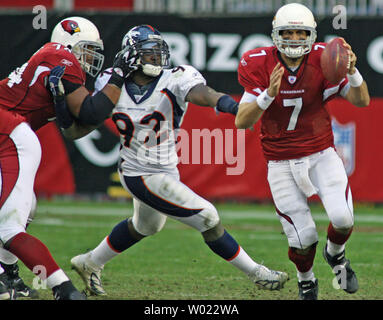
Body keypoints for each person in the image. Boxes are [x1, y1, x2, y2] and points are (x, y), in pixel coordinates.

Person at [66, 24, 289, 297]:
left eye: (159, 53)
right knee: (208, 217)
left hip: (165, 169)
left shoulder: (175, 78)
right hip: (137, 172)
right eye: (150, 54)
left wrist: (234, 107)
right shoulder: (111, 82)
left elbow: (205, 94)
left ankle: (90, 262)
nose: (157, 60)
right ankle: (257, 273)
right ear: (131, 57)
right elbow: (91, 117)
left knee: (146, 226)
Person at [235, 3, 370, 300]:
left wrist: (353, 71)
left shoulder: (324, 58)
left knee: (343, 218)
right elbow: (241, 120)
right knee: (304, 236)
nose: (294, 38)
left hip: (320, 153)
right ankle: (306, 279)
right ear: (275, 34)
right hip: (280, 161)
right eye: (288, 32)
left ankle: (335, 255)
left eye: (300, 32)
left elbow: (362, 101)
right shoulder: (257, 63)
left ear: (311, 35)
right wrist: (267, 96)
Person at [0, 16, 134, 300]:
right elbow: (90, 113)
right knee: (10, 224)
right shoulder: (60, 55)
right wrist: (119, 75)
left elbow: (74, 130)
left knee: (25, 209)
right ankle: (64, 290)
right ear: (69, 43)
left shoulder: (52, 59)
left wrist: (63, 108)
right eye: (85, 49)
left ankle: (7, 277)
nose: (89, 57)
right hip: (8, 131)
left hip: (6, 129)